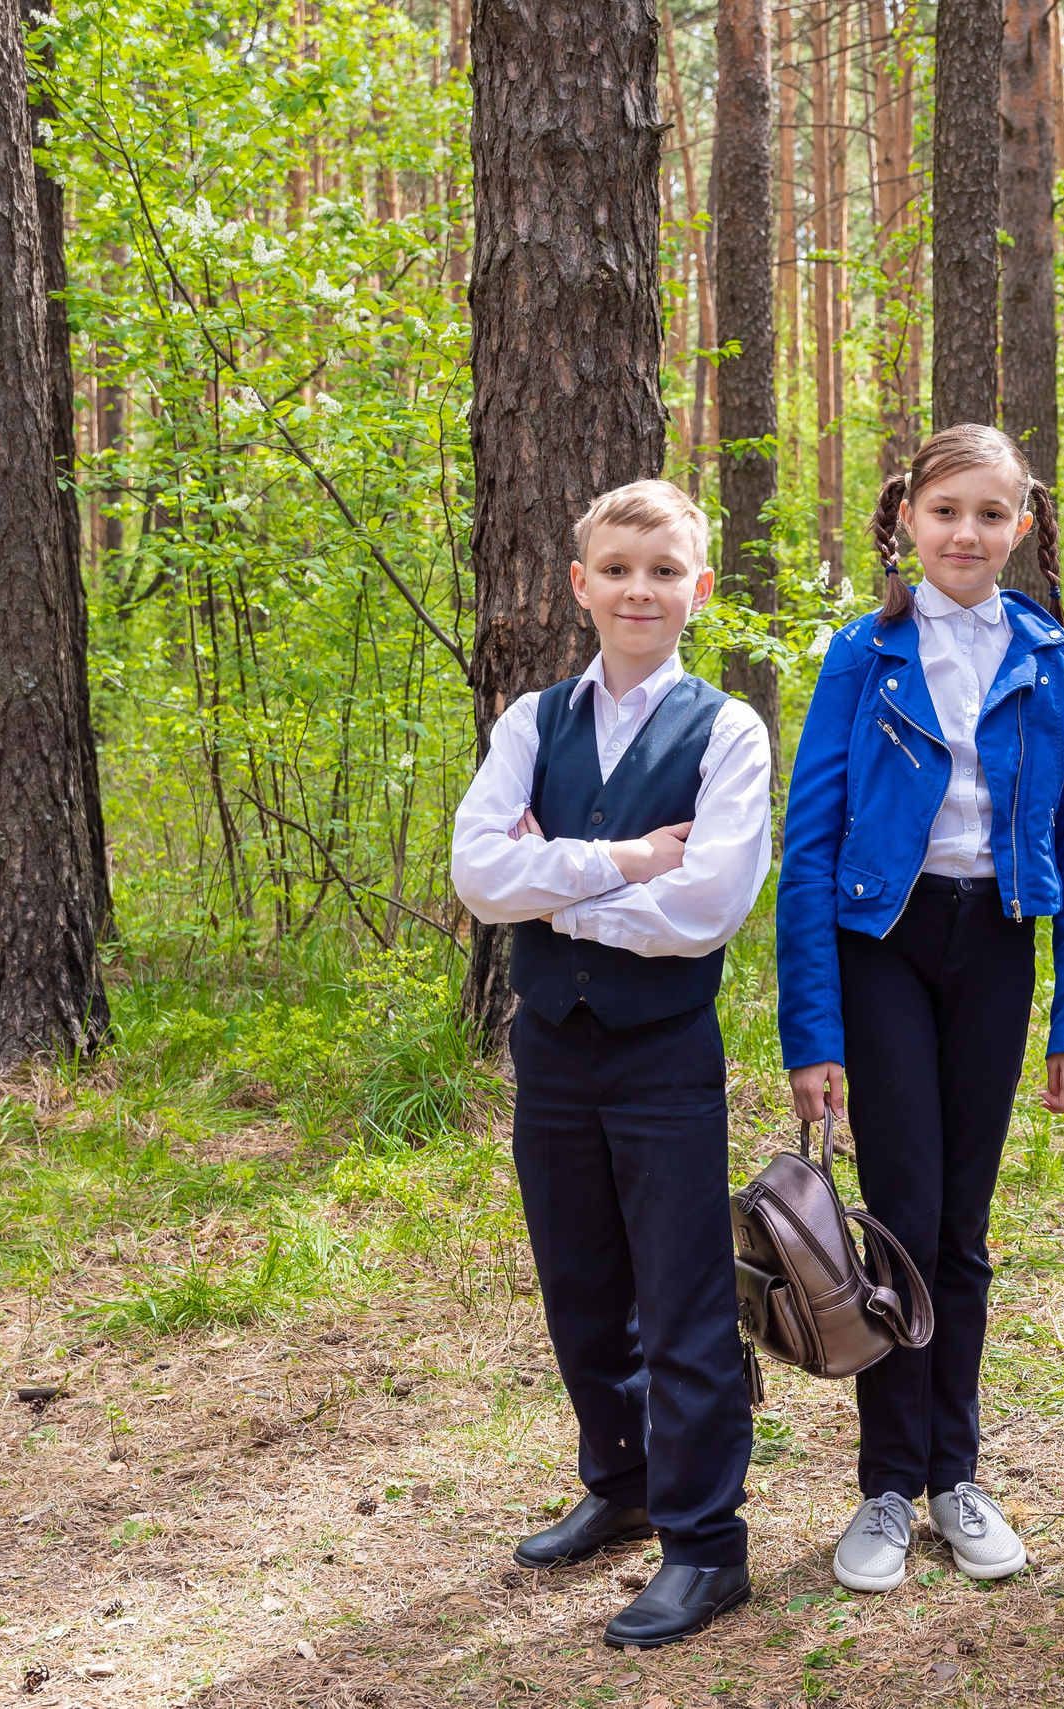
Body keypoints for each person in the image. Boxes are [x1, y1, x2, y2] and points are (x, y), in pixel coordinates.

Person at [776, 424, 1064, 1595]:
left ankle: (954, 1475)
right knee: (898, 1214)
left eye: (992, 513)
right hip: (883, 943)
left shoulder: (1052, 654)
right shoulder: (861, 654)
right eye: (946, 511)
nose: (967, 533)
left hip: (996, 942)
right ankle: (883, 1485)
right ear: (907, 517)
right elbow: (809, 845)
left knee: (960, 1222)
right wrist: (809, 1034)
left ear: (1024, 524)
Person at [448, 479, 770, 1650]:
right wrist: (628, 859)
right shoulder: (532, 722)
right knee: (579, 1282)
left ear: (700, 588)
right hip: (552, 1050)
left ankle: (705, 1542)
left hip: (662, 1052)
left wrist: (564, 881)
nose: (642, 589)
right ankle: (623, 1480)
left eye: (665, 570)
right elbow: (480, 877)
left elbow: (709, 907)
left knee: (682, 1296)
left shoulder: (727, 730)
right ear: (581, 583)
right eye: (619, 569)